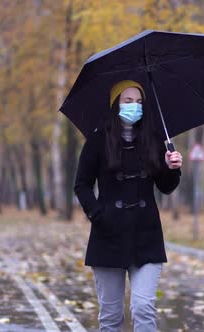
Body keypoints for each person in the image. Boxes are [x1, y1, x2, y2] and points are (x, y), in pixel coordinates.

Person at [73, 79, 183, 331]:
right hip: (108, 236)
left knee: (143, 308)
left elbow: (166, 186)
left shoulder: (154, 138)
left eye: (139, 102)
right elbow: (81, 185)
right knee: (111, 318)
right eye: (128, 101)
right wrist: (99, 215)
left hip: (146, 236)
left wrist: (172, 167)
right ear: (116, 105)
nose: (135, 106)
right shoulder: (98, 140)